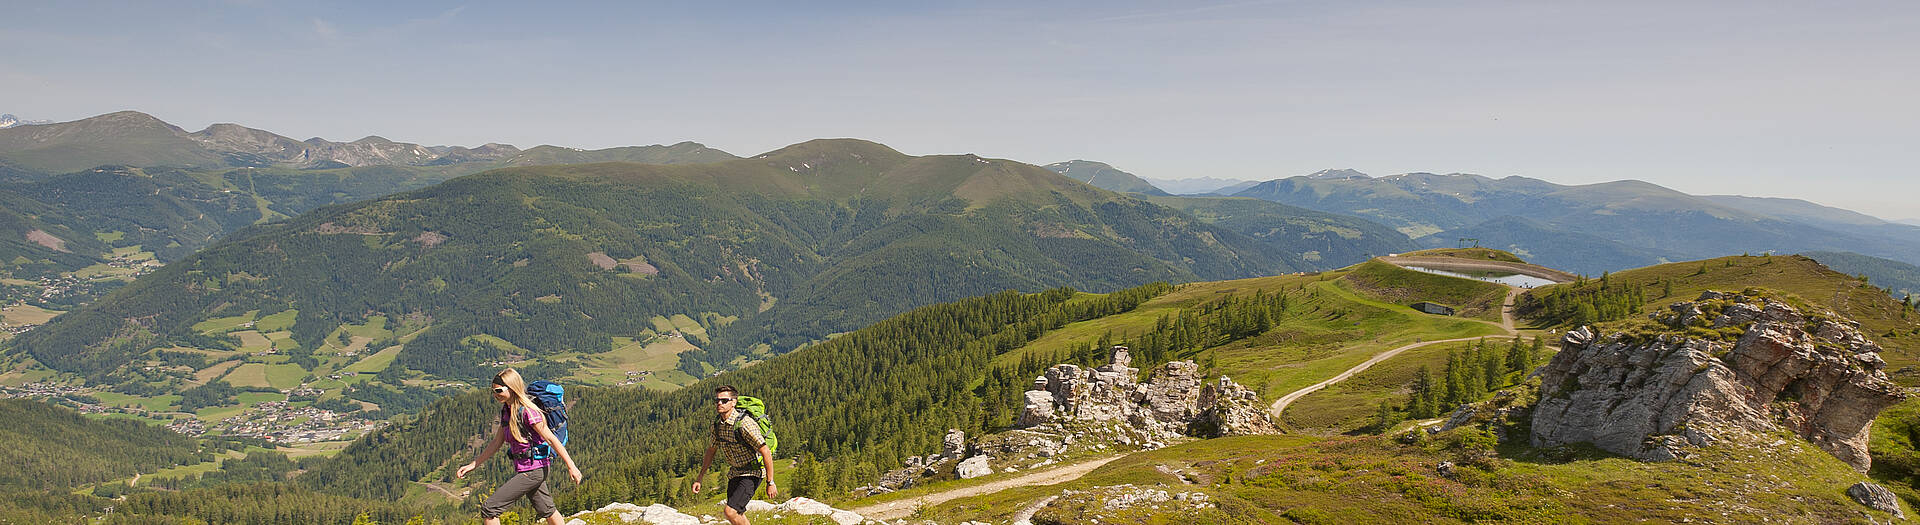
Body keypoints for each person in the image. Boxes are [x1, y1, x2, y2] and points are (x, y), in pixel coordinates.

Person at [456, 369, 583, 525]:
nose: (495, 394)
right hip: (528, 468)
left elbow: (551, 439)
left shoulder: (528, 412)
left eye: (498, 390)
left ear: (512, 388)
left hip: (534, 470)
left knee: (490, 509)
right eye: (493, 391)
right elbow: (497, 442)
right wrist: (472, 465)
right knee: (547, 510)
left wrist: (572, 466)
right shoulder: (507, 411)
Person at [693, 385, 776, 525]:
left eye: (724, 400)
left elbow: (765, 451)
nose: (719, 403)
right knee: (737, 513)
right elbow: (711, 450)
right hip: (735, 472)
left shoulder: (745, 424)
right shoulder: (717, 425)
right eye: (717, 400)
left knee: (730, 511)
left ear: (734, 402)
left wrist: (770, 482)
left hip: (752, 472)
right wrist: (700, 477)